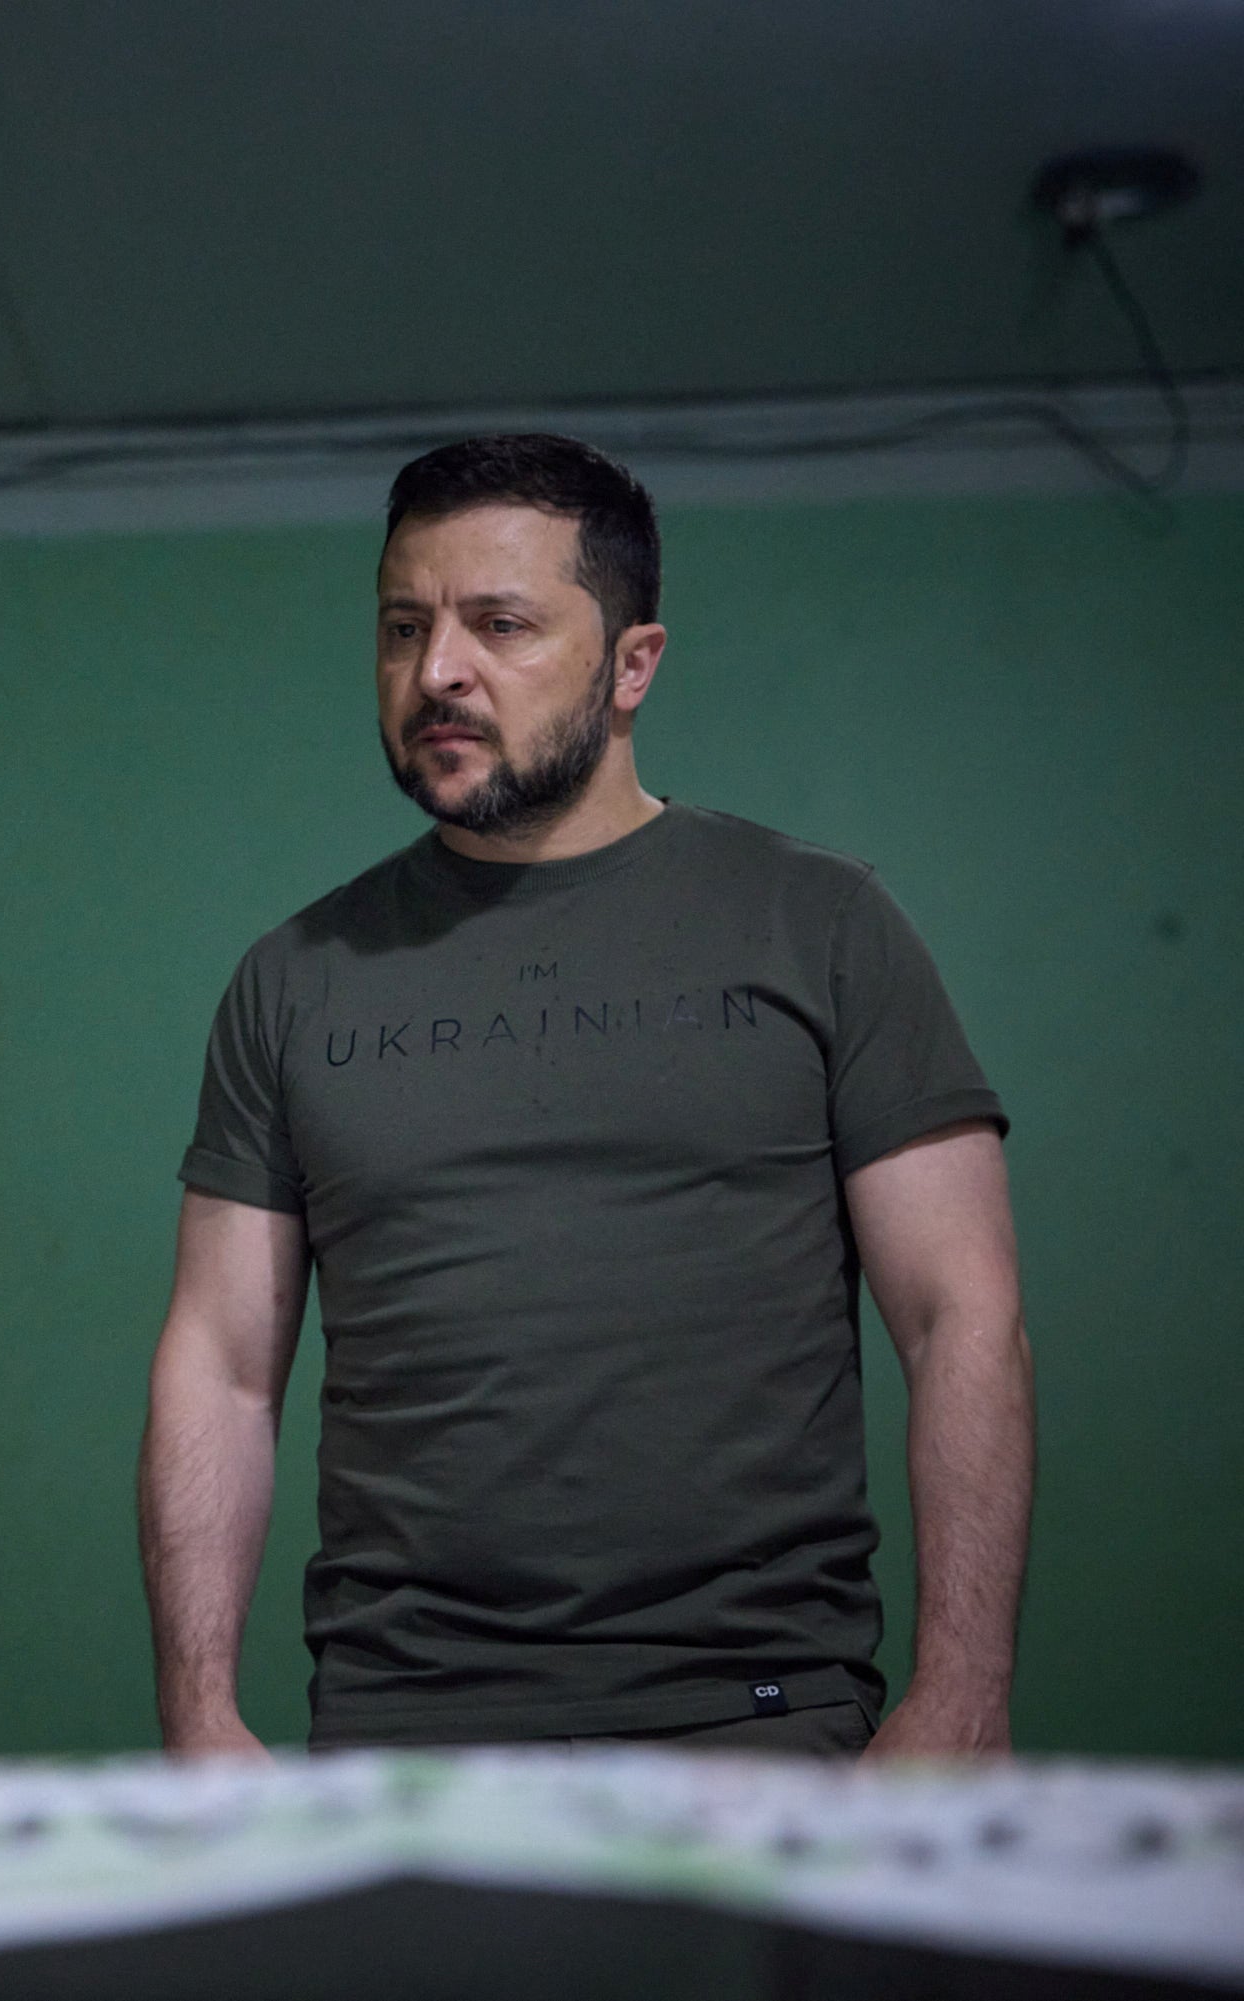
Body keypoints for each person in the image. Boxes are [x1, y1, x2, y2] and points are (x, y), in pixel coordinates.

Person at [140, 434, 1033, 1757]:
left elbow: (965, 1315)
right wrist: (198, 1711)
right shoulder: (297, 979)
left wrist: (964, 1688)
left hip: (758, 1717)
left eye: (499, 624)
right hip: (404, 1735)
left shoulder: (822, 926)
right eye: (405, 625)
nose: (437, 670)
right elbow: (218, 1367)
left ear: (633, 663)